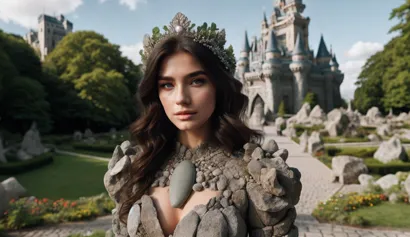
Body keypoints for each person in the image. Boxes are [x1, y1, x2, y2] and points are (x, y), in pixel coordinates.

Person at [104, 12, 302, 237]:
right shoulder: (139, 165)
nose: (181, 98)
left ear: (219, 87)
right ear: (155, 93)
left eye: (196, 81)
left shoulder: (253, 173)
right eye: (167, 85)